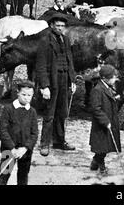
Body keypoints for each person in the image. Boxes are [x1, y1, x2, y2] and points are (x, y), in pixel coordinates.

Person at [36, 13, 76, 157]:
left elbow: (69, 60)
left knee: (62, 112)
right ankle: (45, 143)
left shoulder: (65, 39)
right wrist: (44, 86)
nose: (60, 28)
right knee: (49, 114)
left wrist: (73, 80)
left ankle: (59, 141)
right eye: (57, 25)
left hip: (64, 79)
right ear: (52, 26)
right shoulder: (45, 41)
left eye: (62, 26)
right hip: (52, 80)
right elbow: (40, 66)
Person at [0, 80, 38, 185]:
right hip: (9, 150)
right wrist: (11, 148)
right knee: (3, 175)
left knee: (23, 176)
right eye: (23, 94)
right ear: (17, 92)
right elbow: (3, 130)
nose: (26, 98)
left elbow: (34, 133)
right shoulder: (9, 109)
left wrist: (26, 148)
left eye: (29, 95)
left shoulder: (32, 112)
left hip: (25, 151)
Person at [87, 65, 121, 175]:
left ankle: (95, 162)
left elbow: (107, 98)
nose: (115, 79)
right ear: (105, 78)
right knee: (102, 148)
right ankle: (101, 167)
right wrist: (105, 121)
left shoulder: (107, 87)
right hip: (101, 126)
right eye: (113, 77)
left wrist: (114, 98)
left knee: (105, 148)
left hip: (110, 122)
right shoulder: (97, 90)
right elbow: (96, 109)